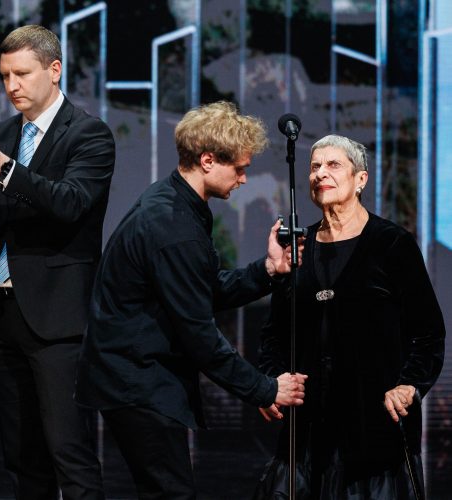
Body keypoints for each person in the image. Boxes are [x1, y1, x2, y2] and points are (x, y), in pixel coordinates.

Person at [75, 101, 307, 499]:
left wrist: (268, 271)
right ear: (207, 160)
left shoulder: (179, 204)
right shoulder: (172, 224)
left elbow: (203, 289)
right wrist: (264, 389)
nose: (244, 179)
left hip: (138, 376)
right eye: (239, 168)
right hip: (137, 382)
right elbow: (199, 334)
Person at [0, 25, 115, 499]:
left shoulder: (89, 134)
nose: (12, 85)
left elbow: (69, 203)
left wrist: (4, 167)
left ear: (54, 69)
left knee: (70, 452)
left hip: (58, 321)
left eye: (22, 73)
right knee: (23, 458)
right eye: (5, 75)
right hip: (3, 315)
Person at [253, 134, 446, 499]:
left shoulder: (392, 244)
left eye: (333, 165)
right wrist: (270, 381)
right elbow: (274, 334)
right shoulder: (296, 250)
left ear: (361, 179)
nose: (320, 173)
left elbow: (429, 332)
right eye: (314, 167)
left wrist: (410, 385)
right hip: (307, 437)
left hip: (374, 434)